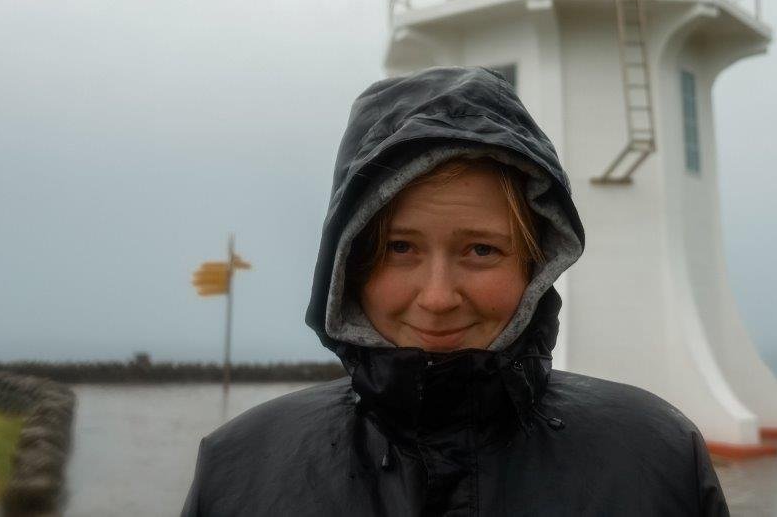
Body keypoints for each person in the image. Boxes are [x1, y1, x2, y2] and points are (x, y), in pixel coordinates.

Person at [180, 66, 730, 515]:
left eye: (481, 250)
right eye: (400, 247)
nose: (438, 297)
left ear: (537, 263)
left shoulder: (659, 460)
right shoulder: (238, 469)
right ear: (348, 264)